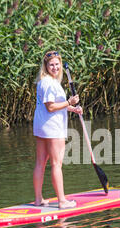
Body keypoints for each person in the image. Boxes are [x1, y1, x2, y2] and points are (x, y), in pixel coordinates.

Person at [33, 50, 82, 209]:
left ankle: (39, 199)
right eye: (51, 65)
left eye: (57, 64)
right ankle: (62, 201)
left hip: (42, 127)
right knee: (56, 164)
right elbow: (51, 107)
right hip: (52, 128)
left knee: (41, 163)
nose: (54, 67)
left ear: (60, 65)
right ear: (45, 66)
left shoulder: (46, 81)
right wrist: (69, 101)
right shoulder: (49, 83)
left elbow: (53, 105)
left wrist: (71, 108)